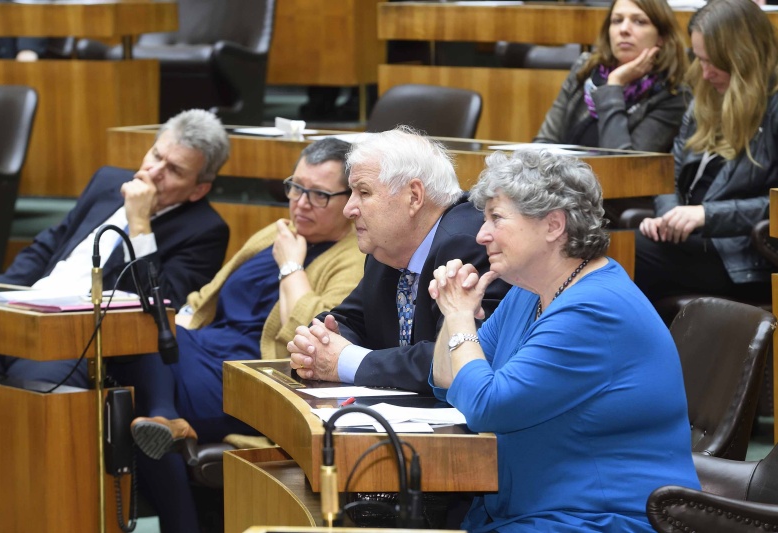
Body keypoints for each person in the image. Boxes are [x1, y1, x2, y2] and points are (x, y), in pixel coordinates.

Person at [428, 149, 699, 532]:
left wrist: (458, 317)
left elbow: (488, 405)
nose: (481, 234)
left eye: (496, 218)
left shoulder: (595, 310)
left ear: (553, 226)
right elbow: (447, 376)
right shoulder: (529, 292)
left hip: (599, 520)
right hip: (534, 513)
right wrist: (453, 310)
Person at [108, 138, 364, 533]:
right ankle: (169, 423)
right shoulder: (276, 233)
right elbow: (204, 299)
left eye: (319, 195)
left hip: (253, 379)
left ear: (350, 201)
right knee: (134, 356)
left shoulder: (354, 258)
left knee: (138, 356)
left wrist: (292, 267)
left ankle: (168, 420)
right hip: (202, 350)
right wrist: (177, 325)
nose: (300, 202)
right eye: (295, 187)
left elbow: (316, 338)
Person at [0, 108, 231, 386]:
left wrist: (140, 222)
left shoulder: (205, 230)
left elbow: (162, 310)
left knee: (31, 391)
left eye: (174, 170)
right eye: (155, 155)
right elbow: (47, 247)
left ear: (198, 190)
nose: (154, 171)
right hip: (23, 314)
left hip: (79, 340)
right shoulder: (107, 181)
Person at [288, 127, 510, 394]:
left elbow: (458, 355)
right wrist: (317, 346)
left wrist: (346, 361)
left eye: (364, 193)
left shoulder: (468, 242)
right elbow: (349, 321)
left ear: (414, 196)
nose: (349, 209)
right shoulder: (388, 248)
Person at [635, 0, 778, 307]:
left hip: (743, 258)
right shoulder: (706, 98)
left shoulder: (774, 107)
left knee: (615, 255)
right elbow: (669, 177)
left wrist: (705, 215)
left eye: (714, 62)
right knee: (601, 248)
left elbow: (776, 206)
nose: (705, 72)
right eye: (700, 59)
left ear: (745, 57)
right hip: (691, 243)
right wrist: (668, 219)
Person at [534, 0, 689, 153]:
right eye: (617, 20)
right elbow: (544, 142)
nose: (624, 29)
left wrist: (614, 85)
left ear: (661, 37)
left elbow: (622, 164)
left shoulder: (672, 94)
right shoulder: (586, 68)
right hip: (566, 175)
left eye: (639, 22)